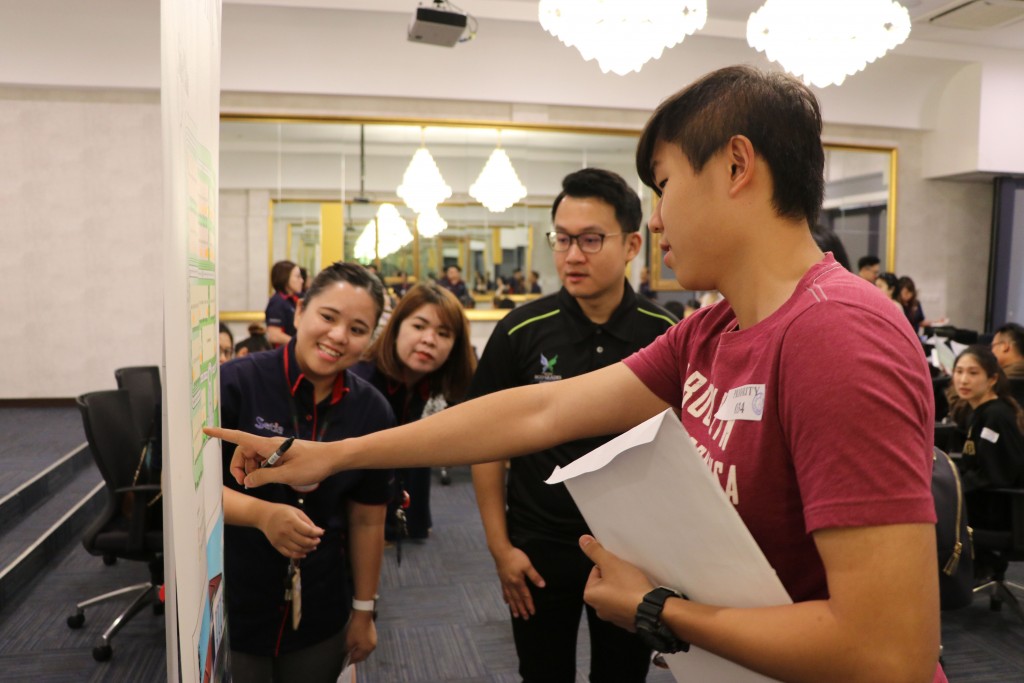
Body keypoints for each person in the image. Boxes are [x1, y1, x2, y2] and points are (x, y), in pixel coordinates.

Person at [209, 66, 946, 683]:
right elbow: (538, 413)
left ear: (735, 167)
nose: (655, 222)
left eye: (663, 185)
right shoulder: (711, 330)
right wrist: (333, 454)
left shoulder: (837, 335)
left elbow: (890, 652)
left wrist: (659, 608)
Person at [469, 167, 677, 682]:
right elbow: (485, 445)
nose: (572, 255)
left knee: (621, 677)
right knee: (542, 674)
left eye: (589, 239)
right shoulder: (521, 330)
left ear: (632, 244)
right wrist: (501, 548)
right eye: (561, 239)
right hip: (538, 545)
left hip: (633, 550)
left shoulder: (667, 335)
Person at [219, 262, 395, 682]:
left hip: (321, 598)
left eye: (357, 328)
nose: (338, 336)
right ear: (299, 313)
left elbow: (369, 517)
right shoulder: (235, 384)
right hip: (235, 591)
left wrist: (364, 610)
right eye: (328, 317)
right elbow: (187, 490)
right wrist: (262, 515)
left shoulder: (372, 410)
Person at [352, 282, 476, 540]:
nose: (428, 340)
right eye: (419, 326)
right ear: (396, 328)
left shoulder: (424, 380)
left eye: (443, 333)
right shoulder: (363, 385)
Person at [949, 346, 1024, 532]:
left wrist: (953, 488)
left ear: (992, 379)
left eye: (973, 373)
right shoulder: (977, 412)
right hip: (980, 501)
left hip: (994, 510)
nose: (964, 380)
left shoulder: (996, 416)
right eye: (959, 372)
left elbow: (995, 474)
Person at [266, 260, 304, 347]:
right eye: (297, 277)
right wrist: (300, 344)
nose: (301, 280)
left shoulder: (295, 299)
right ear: (285, 278)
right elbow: (274, 335)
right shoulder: (277, 302)